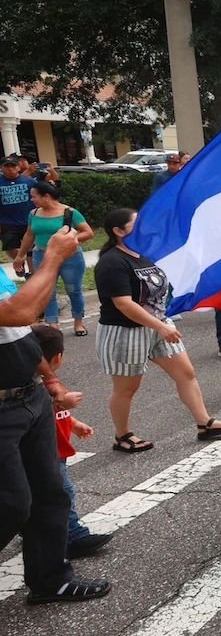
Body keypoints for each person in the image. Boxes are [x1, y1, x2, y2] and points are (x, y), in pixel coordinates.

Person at [0, 224, 111, 603]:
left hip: (28, 395)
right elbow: (20, 311)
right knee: (11, 503)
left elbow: (20, 329)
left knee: (50, 493)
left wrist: (49, 381)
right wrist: (53, 258)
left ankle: (51, 579)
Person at [93, 207, 221, 451]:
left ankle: (204, 423)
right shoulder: (111, 263)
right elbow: (123, 304)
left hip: (159, 326)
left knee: (186, 373)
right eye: (136, 224)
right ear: (118, 231)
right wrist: (160, 326)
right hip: (126, 332)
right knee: (127, 388)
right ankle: (122, 435)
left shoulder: (144, 254)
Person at [31, 324, 113, 557]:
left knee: (40, 494)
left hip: (52, 450)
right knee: (62, 493)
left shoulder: (41, 383)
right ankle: (73, 536)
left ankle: (33, 530)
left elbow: (57, 413)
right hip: (49, 452)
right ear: (58, 357)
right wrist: (63, 403)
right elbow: (49, 409)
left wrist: (73, 423)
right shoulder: (43, 387)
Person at [15, 182, 93, 335]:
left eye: (34, 197)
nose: (32, 200)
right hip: (41, 255)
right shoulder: (34, 213)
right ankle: (53, 325)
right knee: (47, 291)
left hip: (70, 256)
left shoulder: (69, 212)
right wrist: (20, 255)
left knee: (74, 290)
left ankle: (78, 322)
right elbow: (29, 235)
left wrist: (70, 240)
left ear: (46, 196)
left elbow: (88, 232)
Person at [1, 154, 37, 277]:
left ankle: (32, 272)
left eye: (13, 166)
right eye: (7, 166)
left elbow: (38, 198)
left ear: (18, 167)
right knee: (9, 247)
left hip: (28, 220)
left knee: (31, 248)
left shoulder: (29, 181)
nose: (10, 168)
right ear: (2, 168)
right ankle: (19, 262)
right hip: (7, 222)